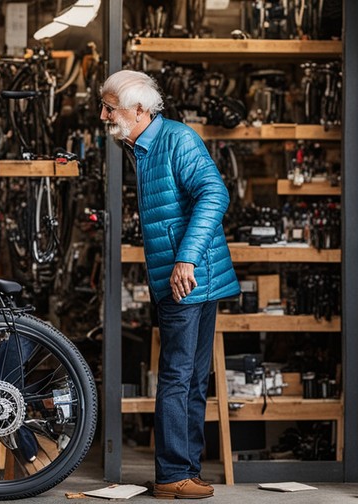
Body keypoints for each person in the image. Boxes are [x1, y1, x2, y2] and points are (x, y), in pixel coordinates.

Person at [98, 70, 239, 500]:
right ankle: (182, 471)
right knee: (189, 376)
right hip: (183, 277)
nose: (103, 116)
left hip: (189, 276)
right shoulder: (140, 146)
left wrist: (185, 259)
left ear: (139, 110)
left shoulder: (176, 139)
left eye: (110, 108)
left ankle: (175, 473)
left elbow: (215, 194)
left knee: (182, 376)